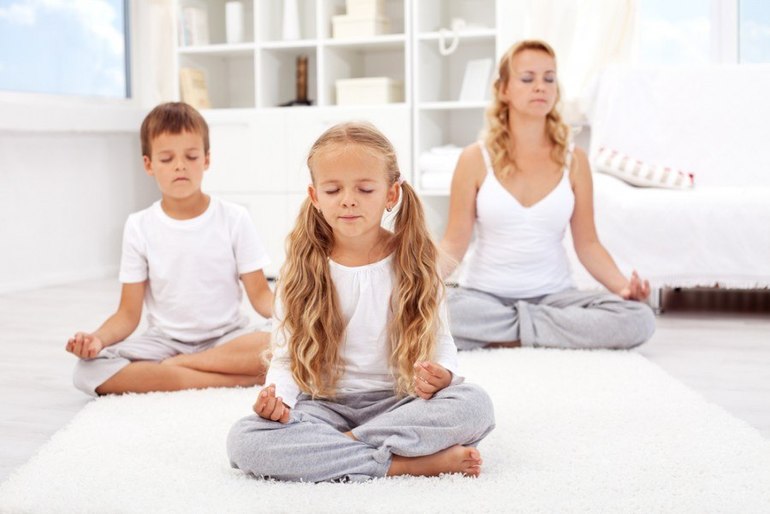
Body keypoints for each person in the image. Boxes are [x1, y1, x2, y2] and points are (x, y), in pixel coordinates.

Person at [227, 122, 495, 483]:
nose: (348, 200)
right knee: (246, 441)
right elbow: (287, 358)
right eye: (333, 189)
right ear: (315, 196)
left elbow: (441, 341)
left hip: (399, 402)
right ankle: (403, 463)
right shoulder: (300, 268)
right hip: (324, 407)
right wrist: (278, 400)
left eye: (365, 189)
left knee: (475, 405)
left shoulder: (415, 261)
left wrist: (443, 374)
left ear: (391, 194)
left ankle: (340, 450)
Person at [440, 40, 655, 351]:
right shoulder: (474, 158)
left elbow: (588, 244)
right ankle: (540, 333)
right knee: (433, 313)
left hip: (555, 299)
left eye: (549, 78)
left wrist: (624, 288)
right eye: (527, 78)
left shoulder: (575, 160)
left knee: (639, 318)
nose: (540, 86)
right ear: (504, 89)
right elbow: (453, 242)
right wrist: (417, 284)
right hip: (484, 297)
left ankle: (504, 334)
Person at [66, 102, 273, 396]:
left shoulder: (234, 218)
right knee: (88, 371)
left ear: (206, 160)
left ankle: (181, 368)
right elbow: (127, 314)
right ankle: (226, 379)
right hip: (165, 343)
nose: (180, 166)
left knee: (284, 344)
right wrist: (96, 340)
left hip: (228, 339)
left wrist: (297, 319)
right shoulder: (139, 226)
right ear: (149, 165)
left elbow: (261, 296)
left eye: (191, 156)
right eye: (166, 158)